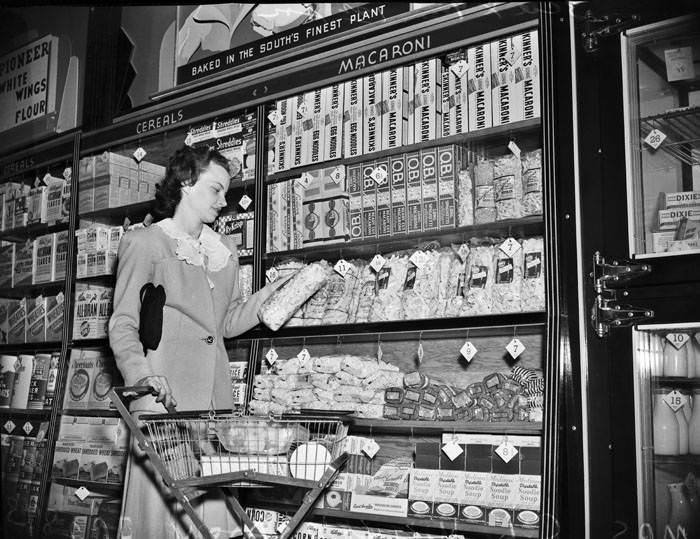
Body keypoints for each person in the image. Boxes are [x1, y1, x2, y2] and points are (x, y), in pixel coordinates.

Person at [109, 145, 287, 538]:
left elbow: (224, 324)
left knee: (208, 523)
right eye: (216, 190)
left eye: (226, 192)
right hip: (163, 402)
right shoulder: (145, 243)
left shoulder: (224, 252)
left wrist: (270, 298)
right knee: (166, 519)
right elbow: (122, 323)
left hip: (212, 408)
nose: (225, 202)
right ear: (187, 183)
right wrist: (142, 377)